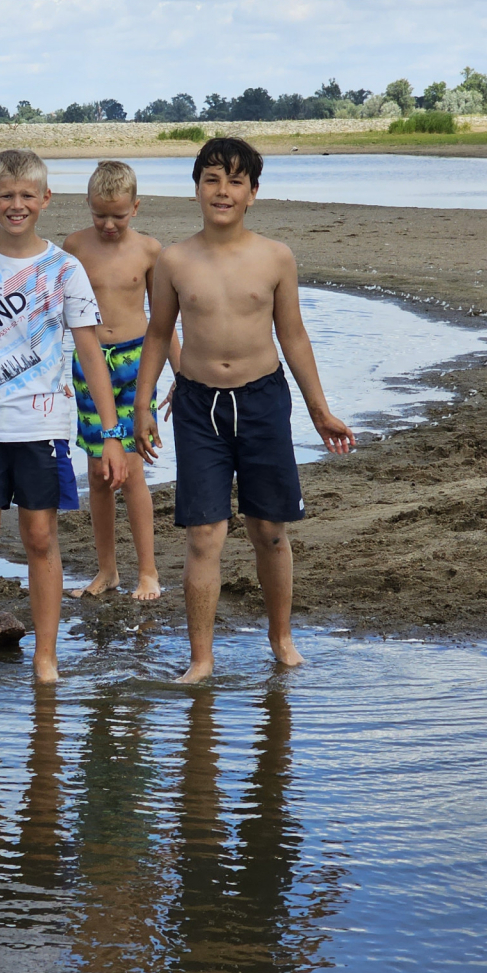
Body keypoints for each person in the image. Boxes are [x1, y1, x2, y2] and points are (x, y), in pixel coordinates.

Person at [132, 137, 354, 683]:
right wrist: (141, 404)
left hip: (262, 401)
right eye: (212, 179)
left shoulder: (275, 257)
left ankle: (281, 640)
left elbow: (294, 336)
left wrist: (320, 410)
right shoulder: (173, 260)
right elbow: (158, 335)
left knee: (269, 530)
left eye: (235, 181)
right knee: (204, 534)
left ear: (253, 193)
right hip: (197, 405)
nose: (223, 191)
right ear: (197, 189)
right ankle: (201, 660)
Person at [0, 149, 128, 685]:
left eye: (26, 196)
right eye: (6, 195)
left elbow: (89, 353)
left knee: (40, 539)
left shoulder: (65, 269)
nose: (17, 205)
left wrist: (111, 435)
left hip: (43, 429)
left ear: (45, 200)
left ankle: (46, 660)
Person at [61, 160, 181, 601]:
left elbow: (163, 325)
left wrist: (182, 376)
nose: (108, 225)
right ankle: (107, 571)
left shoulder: (150, 251)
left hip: (137, 363)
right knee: (97, 473)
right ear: (88, 207)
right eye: (99, 215)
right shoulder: (74, 246)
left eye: (118, 215)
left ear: (136, 207)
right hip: (89, 368)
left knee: (130, 470)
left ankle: (147, 572)